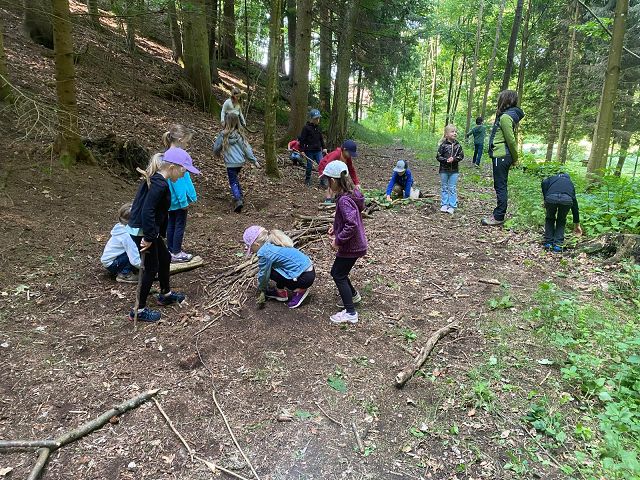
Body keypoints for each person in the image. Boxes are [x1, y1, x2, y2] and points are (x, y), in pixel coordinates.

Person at [127, 152, 200, 322]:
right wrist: (149, 237)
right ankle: (138, 310)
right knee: (151, 267)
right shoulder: (159, 184)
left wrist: (157, 233)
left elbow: (156, 210)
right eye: (183, 171)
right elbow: (147, 210)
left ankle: (165, 294)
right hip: (143, 231)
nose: (183, 175)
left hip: (149, 230)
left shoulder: (158, 180)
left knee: (165, 257)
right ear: (172, 167)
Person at [323, 160, 368, 325]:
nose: (327, 184)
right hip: (355, 244)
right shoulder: (351, 194)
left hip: (351, 246)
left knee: (338, 274)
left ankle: (350, 313)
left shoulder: (343, 200)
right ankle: (353, 296)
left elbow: (352, 224)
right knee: (340, 272)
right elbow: (348, 219)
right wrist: (335, 228)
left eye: (327, 181)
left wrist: (338, 240)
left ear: (333, 181)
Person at [243, 226, 316, 309]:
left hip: (304, 277)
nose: (249, 249)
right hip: (307, 269)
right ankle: (280, 292)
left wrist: (262, 288)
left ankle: (300, 290)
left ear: (257, 244)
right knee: (274, 268)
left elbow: (264, 274)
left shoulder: (265, 253)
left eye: (249, 246)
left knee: (270, 272)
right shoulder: (271, 241)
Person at [482, 90, 525, 226]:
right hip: (501, 155)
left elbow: (511, 140)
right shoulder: (507, 115)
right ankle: (498, 214)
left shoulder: (506, 117)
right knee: (500, 185)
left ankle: (498, 216)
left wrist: (515, 158)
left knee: (500, 186)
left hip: (501, 155)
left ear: (505, 100)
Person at [213, 112, 260, 213]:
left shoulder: (223, 135)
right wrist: (254, 160)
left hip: (230, 163)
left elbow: (216, 148)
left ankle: (238, 199)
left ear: (227, 122)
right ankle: (240, 195)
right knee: (235, 178)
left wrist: (217, 152)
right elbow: (247, 149)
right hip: (240, 163)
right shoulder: (240, 135)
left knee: (233, 181)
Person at [163, 125, 198, 263]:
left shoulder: (167, 154)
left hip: (170, 200)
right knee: (179, 225)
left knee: (171, 223)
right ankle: (176, 252)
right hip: (178, 200)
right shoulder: (176, 157)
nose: (187, 144)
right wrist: (184, 201)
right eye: (187, 141)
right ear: (180, 139)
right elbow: (177, 183)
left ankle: (171, 249)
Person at [541, 172, 583, 252]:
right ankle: (558, 245)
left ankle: (548, 243)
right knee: (561, 220)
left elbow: (544, 182)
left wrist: (545, 198)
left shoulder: (552, 178)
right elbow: (575, 206)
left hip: (551, 198)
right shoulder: (570, 183)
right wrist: (577, 225)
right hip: (566, 200)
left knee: (549, 218)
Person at [101, 203, 141, 283]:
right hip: (113, 264)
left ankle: (125, 269)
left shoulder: (120, 227)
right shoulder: (127, 235)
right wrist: (144, 268)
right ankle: (124, 274)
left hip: (110, 261)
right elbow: (134, 260)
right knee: (134, 250)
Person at [317, 140, 360, 204]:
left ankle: (337, 197)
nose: (350, 155)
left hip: (337, 171)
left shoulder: (347, 157)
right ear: (344, 150)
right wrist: (323, 174)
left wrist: (356, 183)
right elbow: (328, 164)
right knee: (330, 184)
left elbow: (351, 169)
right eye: (350, 153)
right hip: (327, 169)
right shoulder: (336, 154)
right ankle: (328, 199)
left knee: (341, 183)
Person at [436, 124, 464, 214]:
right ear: (446, 134)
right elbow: (438, 156)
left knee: (452, 188)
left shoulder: (458, 145)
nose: (455, 133)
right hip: (444, 170)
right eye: (452, 131)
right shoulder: (443, 145)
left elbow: (461, 156)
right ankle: (444, 204)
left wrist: (454, 159)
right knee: (444, 187)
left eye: (455, 131)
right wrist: (446, 160)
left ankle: (452, 205)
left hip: (454, 171)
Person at [298, 109, 328, 186]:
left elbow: (321, 139)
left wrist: (324, 147)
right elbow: (302, 140)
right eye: (316, 118)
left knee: (321, 164)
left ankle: (322, 181)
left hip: (318, 150)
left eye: (318, 118)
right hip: (309, 150)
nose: (318, 120)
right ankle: (307, 179)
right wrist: (302, 150)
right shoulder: (306, 128)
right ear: (311, 118)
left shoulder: (318, 128)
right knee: (309, 165)